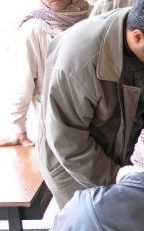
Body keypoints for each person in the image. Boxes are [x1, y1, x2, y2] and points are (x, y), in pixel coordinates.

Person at [37, 0, 144, 208]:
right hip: (77, 166)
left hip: (126, 153)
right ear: (137, 37)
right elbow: (68, 142)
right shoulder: (78, 63)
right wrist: (119, 180)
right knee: (97, 229)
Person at [0, 0, 90, 147]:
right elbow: (22, 81)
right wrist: (18, 128)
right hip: (55, 124)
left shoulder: (95, 15)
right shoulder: (34, 28)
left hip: (95, 117)